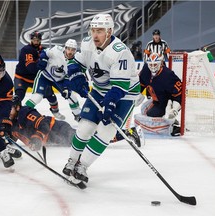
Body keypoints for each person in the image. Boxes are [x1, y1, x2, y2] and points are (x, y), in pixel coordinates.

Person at [62, 13, 140, 184]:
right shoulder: (88, 43)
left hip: (124, 94)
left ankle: (82, 166)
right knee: (84, 128)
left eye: (99, 31)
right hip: (99, 90)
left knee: (106, 132)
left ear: (109, 31)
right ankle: (72, 161)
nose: (95, 35)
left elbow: (119, 86)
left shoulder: (120, 52)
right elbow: (76, 62)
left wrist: (110, 103)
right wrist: (76, 74)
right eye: (93, 30)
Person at [25, 39, 82, 121]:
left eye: (73, 50)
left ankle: (78, 116)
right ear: (65, 48)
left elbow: (67, 77)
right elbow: (44, 52)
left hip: (60, 80)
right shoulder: (57, 50)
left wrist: (66, 88)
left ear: (75, 51)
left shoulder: (75, 62)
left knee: (72, 97)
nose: (70, 52)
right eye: (68, 49)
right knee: (37, 97)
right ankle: (23, 113)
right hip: (44, 76)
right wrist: (43, 59)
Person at [134, 53, 182, 136]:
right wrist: (139, 93)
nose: (152, 67)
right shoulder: (146, 69)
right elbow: (142, 82)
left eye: (155, 64)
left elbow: (179, 93)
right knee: (143, 109)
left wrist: (174, 109)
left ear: (160, 63)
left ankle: (172, 126)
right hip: (157, 100)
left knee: (152, 114)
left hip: (167, 103)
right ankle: (168, 121)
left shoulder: (168, 75)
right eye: (151, 64)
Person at [9, 95, 75, 151]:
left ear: (17, 107)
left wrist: (37, 138)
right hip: (54, 139)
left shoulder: (25, 113)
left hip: (59, 129)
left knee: (79, 140)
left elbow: (44, 124)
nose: (6, 111)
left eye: (9, 108)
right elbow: (11, 139)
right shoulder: (12, 122)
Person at [14, 31, 44, 101]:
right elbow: (31, 68)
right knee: (18, 97)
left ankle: (55, 111)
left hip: (35, 79)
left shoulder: (43, 50)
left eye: (38, 40)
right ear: (31, 40)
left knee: (50, 94)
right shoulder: (26, 49)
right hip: (22, 78)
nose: (36, 42)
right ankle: (13, 111)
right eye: (34, 40)